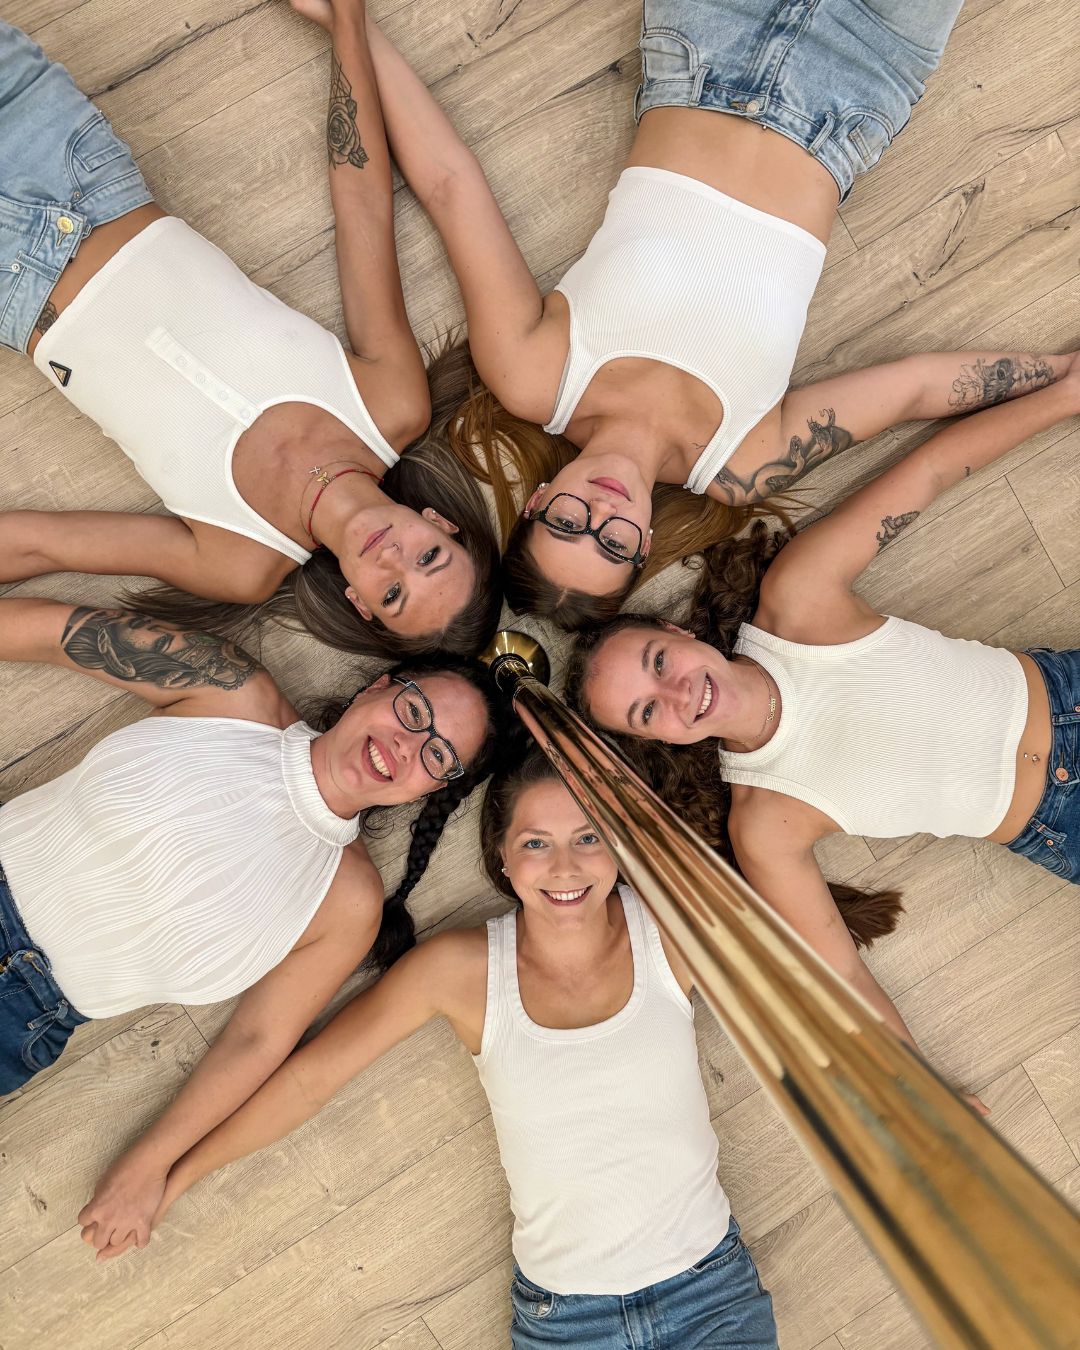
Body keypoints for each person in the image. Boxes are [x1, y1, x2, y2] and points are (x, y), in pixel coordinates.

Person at [323, 1, 1065, 627]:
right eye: (613, 545)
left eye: (568, 524)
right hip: (862, 83)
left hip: (707, 43)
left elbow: (449, 183)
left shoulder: (532, 376)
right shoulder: (741, 462)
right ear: (644, 545)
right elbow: (911, 390)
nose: (600, 514)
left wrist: (346, 23)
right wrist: (1063, 376)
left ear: (539, 502)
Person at [85, 746, 779, 1350]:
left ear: (619, 845)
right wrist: (169, 1177)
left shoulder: (674, 928)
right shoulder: (460, 970)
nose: (565, 867)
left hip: (710, 1295)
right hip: (568, 1322)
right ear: (502, 857)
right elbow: (307, 1082)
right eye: (536, 843)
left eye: (589, 837)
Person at [564, 356, 1080, 1095]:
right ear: (657, 740)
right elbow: (842, 974)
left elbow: (931, 471)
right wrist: (923, 1094)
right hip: (1059, 823)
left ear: (679, 634)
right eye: (647, 712)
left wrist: (1065, 394)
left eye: (657, 661)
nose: (675, 694)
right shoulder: (765, 824)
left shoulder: (800, 599)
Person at [0, 593, 501, 1253]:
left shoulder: (348, 903)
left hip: (26, 1021)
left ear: (432, 789)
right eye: (413, 712)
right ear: (378, 688)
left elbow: (256, 1041)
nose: (407, 747)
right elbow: (56, 634)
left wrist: (152, 1166)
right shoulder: (231, 688)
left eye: (438, 756)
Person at [0, 9, 501, 658]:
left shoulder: (241, 561)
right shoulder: (390, 405)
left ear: (359, 602)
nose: (392, 560)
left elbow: (43, 545)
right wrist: (345, 20)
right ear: (438, 522)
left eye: (393, 594)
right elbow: (362, 205)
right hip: (73, 168)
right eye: (428, 557)